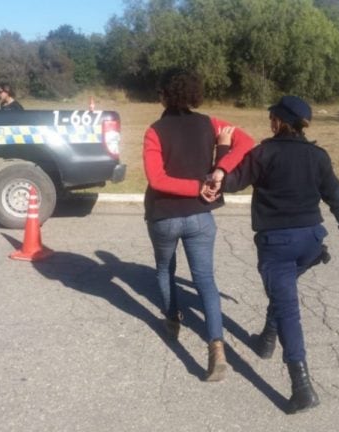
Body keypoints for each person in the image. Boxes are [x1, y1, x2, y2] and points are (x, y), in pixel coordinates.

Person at [204, 95, 339, 411]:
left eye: (271, 118)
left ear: (279, 121)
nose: (269, 122)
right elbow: (336, 196)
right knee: (284, 292)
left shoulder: (263, 153)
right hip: (312, 241)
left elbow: (232, 183)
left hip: (278, 245)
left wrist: (222, 152)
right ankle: (265, 340)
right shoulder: (318, 156)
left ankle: (302, 388)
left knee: (287, 307)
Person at [143, 68, 254, 382]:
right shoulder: (210, 124)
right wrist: (220, 170)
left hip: (163, 216)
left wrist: (195, 185)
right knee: (205, 279)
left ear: (164, 94)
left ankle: (172, 320)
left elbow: (156, 179)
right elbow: (246, 142)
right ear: (194, 94)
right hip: (200, 216)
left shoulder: (154, 131)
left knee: (165, 268)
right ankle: (216, 345)